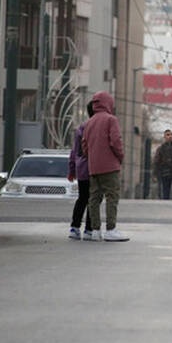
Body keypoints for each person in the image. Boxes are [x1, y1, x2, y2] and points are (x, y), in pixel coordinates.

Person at [81, 91, 127, 241]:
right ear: (108, 103)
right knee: (112, 197)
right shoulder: (111, 120)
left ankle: (95, 230)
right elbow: (116, 141)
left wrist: (92, 157)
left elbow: (84, 145)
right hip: (110, 166)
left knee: (94, 198)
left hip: (94, 167)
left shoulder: (89, 122)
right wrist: (120, 157)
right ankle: (111, 229)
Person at [67, 101, 94, 240]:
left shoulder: (81, 128)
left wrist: (72, 169)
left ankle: (74, 227)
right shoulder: (99, 127)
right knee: (93, 200)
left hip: (82, 168)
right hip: (96, 168)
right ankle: (89, 229)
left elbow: (75, 151)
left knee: (82, 198)